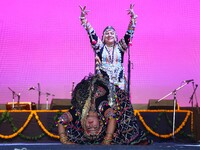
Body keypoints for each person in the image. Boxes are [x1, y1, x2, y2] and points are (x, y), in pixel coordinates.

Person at [57, 74, 150, 145]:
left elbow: (112, 117)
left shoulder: (91, 107)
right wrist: (65, 141)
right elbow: (61, 121)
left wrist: (107, 139)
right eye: (94, 127)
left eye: (90, 128)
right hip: (99, 95)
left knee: (127, 132)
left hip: (105, 95)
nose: (90, 125)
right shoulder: (88, 108)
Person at [79, 4, 137, 106]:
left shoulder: (120, 47)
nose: (109, 35)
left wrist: (132, 19)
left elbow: (128, 35)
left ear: (115, 37)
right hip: (103, 82)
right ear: (103, 37)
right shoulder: (100, 47)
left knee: (120, 105)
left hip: (119, 81)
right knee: (104, 104)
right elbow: (92, 35)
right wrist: (84, 20)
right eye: (106, 33)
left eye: (112, 33)